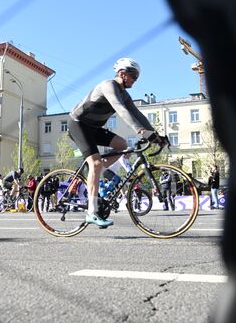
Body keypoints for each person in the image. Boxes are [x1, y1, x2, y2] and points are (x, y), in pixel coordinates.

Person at [68, 58, 165, 228]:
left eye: (137, 77)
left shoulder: (125, 94)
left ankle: (96, 171)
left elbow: (138, 115)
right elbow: (122, 110)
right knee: (96, 163)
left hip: (94, 128)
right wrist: (141, 131)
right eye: (133, 76)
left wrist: (155, 135)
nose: (135, 80)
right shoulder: (108, 86)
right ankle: (91, 212)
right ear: (122, 73)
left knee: (122, 145)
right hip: (78, 124)